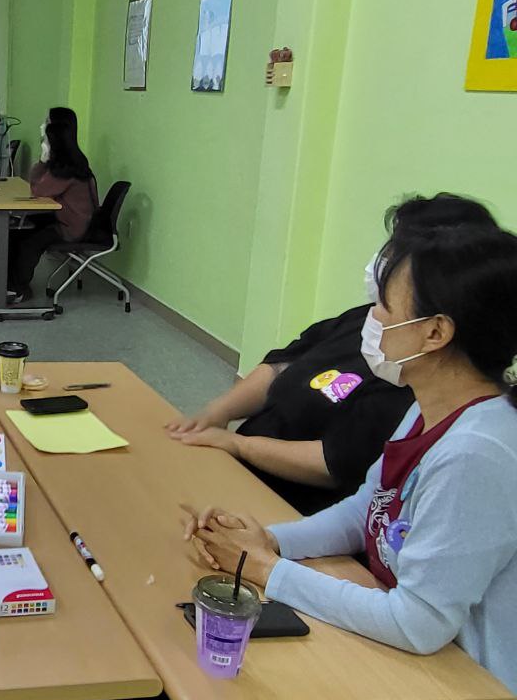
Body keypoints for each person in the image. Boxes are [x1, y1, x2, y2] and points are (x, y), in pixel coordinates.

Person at [183, 224, 517, 700]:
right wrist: (268, 540)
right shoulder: (429, 404)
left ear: (437, 332)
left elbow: (418, 624)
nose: (374, 318)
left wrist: (271, 573)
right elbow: (369, 510)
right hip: (419, 686)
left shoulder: (478, 453)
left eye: (388, 307)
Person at [166, 193, 498, 515]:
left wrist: (238, 446)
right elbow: (285, 361)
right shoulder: (375, 319)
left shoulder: (417, 380)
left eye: (399, 250)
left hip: (288, 504)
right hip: (246, 475)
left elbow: (339, 468)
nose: (386, 261)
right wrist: (218, 411)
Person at [3, 108, 98, 303]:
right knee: (16, 230)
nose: (41, 126)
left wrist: (41, 160)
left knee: (29, 241)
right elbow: (37, 187)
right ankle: (6, 283)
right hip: (64, 218)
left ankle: (18, 288)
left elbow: (38, 189)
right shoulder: (69, 159)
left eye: (46, 122)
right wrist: (44, 161)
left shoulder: (68, 167)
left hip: (71, 227)